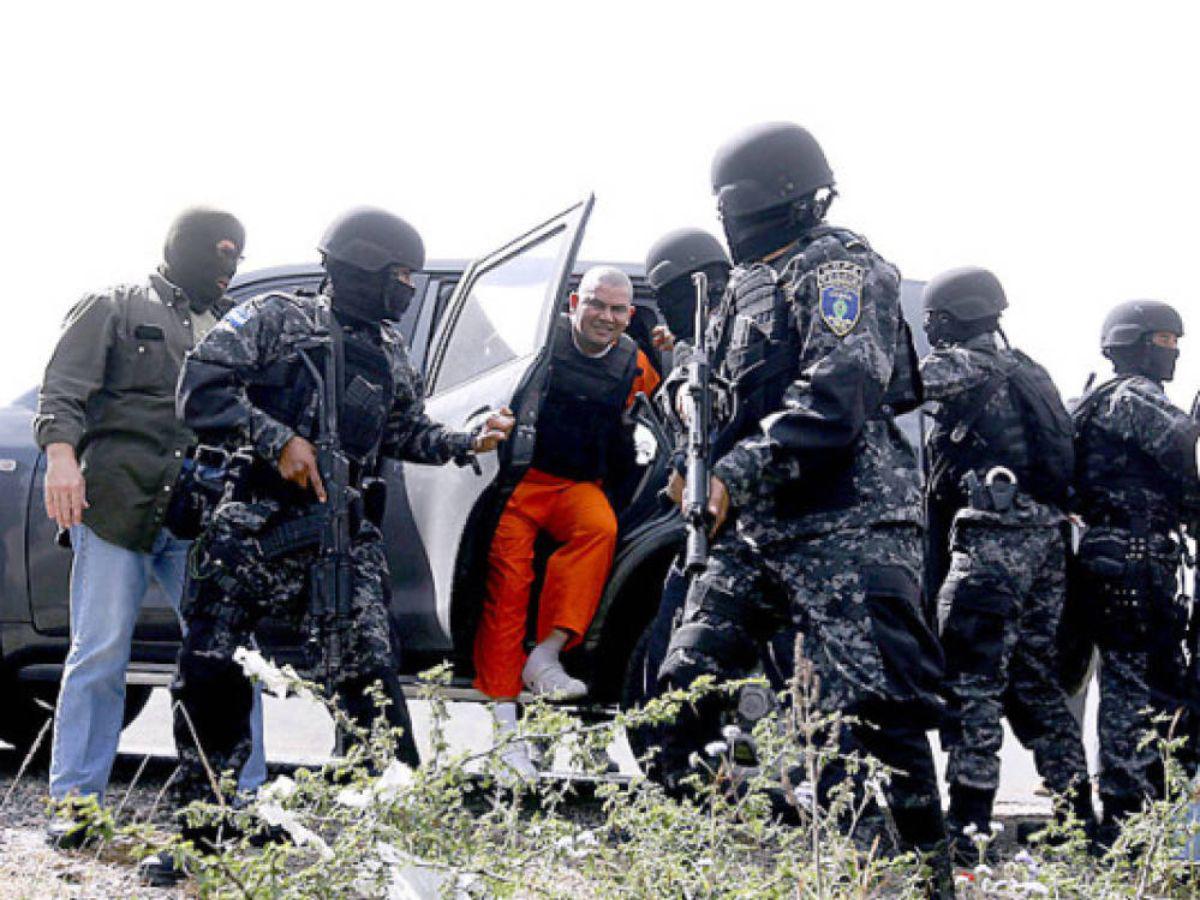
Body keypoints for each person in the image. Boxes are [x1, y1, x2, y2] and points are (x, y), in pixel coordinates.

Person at [142, 207, 513, 880]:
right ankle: (205, 828)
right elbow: (201, 387)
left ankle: (393, 837)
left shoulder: (389, 348)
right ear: (364, 267)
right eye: (400, 275)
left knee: (370, 679)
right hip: (252, 527)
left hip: (341, 534)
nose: (408, 288)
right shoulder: (276, 318)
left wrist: (465, 441)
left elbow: (404, 430)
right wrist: (277, 440)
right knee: (209, 671)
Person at [652, 122, 949, 872]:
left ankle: (924, 879)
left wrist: (734, 472)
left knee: (881, 719)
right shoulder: (738, 288)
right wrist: (690, 427)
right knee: (680, 692)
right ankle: (720, 860)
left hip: (846, 525)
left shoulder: (840, 270)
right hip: (758, 532)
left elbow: (837, 394)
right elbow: (716, 388)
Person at [33, 207, 267, 849]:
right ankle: (76, 806)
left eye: (238, 255)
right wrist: (61, 460)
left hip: (200, 517)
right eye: (220, 250)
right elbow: (62, 391)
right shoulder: (115, 305)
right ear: (185, 246)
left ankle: (244, 802)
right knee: (100, 653)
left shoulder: (233, 327)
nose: (228, 266)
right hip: (118, 504)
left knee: (228, 658)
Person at [919, 266, 1094, 855]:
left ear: (949, 318)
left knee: (973, 683)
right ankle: (1078, 819)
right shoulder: (1029, 370)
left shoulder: (964, 366)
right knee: (1034, 682)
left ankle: (967, 830)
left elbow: (895, 384)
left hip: (992, 542)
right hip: (1046, 544)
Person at [472, 265, 659, 777]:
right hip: (520, 484)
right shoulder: (534, 344)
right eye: (596, 304)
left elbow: (664, 403)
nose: (605, 317)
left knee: (600, 530)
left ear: (630, 315)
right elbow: (481, 383)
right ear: (574, 302)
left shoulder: (632, 362)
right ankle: (506, 736)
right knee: (508, 590)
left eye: (617, 309)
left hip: (578, 486)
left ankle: (547, 655)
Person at [1072, 299, 1200, 844]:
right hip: (1133, 561)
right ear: (1133, 343)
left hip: (1124, 556)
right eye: (1164, 341)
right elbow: (1186, 447)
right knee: (1133, 688)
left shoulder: (1100, 398)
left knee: (1146, 683)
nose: (1173, 352)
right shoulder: (1133, 397)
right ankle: (1125, 822)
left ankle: (1142, 815)